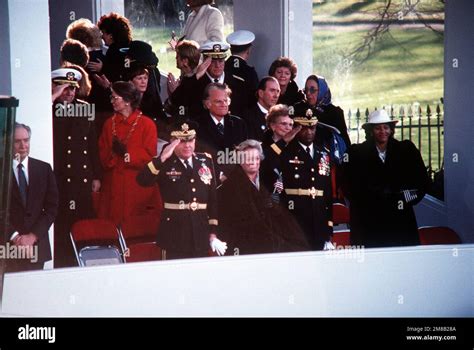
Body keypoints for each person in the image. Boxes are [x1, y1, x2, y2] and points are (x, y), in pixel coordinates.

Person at [136, 119, 227, 259]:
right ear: (173, 141)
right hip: (174, 233)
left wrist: (213, 233)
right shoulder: (164, 162)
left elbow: (213, 200)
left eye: (191, 140)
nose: (187, 145)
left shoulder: (205, 161)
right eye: (182, 141)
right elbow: (142, 180)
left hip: (200, 233)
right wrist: (161, 158)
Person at [343, 110, 430, 247]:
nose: (382, 131)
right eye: (377, 128)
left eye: (385, 127)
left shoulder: (406, 150)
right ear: (371, 131)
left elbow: (422, 181)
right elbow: (348, 186)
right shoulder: (356, 153)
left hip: (400, 219)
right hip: (369, 221)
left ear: (391, 130)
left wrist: (403, 198)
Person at [218, 140, 309, 255]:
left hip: (270, 244)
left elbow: (279, 215)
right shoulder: (230, 185)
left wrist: (276, 197)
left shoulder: (268, 182)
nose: (253, 162)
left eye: (256, 158)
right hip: (244, 247)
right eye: (248, 158)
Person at [51, 68, 102, 267]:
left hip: (81, 177)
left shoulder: (85, 109)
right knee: (62, 222)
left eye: (73, 88)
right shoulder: (48, 109)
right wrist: (53, 97)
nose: (70, 92)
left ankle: (85, 261)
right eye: (65, 88)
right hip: (59, 178)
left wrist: (96, 176)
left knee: (83, 221)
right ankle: (63, 263)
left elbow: (92, 146)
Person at [98, 81, 161, 224]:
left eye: (115, 98)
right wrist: (114, 154)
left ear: (127, 100)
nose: (112, 101)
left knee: (135, 228)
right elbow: (102, 154)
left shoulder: (147, 124)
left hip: (136, 186)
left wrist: (127, 154)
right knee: (110, 229)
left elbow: (150, 156)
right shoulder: (109, 124)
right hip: (112, 185)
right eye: (111, 97)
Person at [6, 123, 58, 272]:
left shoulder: (44, 169)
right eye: (17, 141)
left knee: (35, 293)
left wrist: (32, 236)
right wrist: (16, 237)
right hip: (7, 248)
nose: (23, 145)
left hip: (37, 248)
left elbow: (51, 208)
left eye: (26, 140)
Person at [280, 111, 334, 250]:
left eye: (312, 128)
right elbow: (267, 162)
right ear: (296, 129)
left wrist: (328, 228)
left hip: (318, 220)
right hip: (295, 218)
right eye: (304, 128)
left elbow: (327, 193)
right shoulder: (286, 151)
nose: (309, 132)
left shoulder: (323, 153)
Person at [196, 83, 248, 182]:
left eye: (226, 101)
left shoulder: (239, 124)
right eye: (218, 101)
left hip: (235, 179)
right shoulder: (198, 126)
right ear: (207, 104)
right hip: (209, 179)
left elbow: (244, 155)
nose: (224, 104)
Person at [294, 75, 350, 147]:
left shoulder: (334, 112)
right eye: (306, 90)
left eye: (312, 90)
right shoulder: (299, 108)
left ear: (321, 90)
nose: (308, 93)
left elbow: (344, 140)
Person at [260, 104, 301, 197]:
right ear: (273, 126)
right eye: (284, 124)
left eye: (291, 124)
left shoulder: (297, 149)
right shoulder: (261, 147)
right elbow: (265, 161)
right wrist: (283, 142)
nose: (288, 128)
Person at [242, 76, 280, 140]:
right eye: (272, 90)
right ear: (261, 93)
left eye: (278, 91)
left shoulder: (280, 117)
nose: (276, 95)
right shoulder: (248, 117)